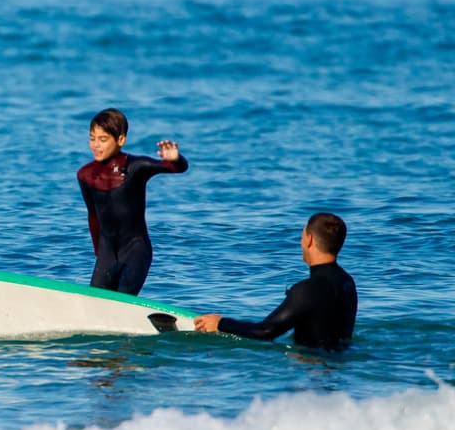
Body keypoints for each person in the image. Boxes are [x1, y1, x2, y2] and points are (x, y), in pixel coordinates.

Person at [194, 213, 357, 350]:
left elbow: (265, 331)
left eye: (302, 236)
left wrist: (221, 323)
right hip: (338, 364)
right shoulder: (347, 283)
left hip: (312, 371)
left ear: (309, 240)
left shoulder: (309, 288)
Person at [77, 108, 188, 296]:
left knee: (123, 300)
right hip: (107, 253)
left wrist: (176, 159)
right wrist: (100, 254)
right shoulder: (85, 175)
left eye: (103, 140)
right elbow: (93, 216)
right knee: (95, 302)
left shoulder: (136, 167)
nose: (96, 145)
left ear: (120, 140)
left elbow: (176, 168)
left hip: (135, 250)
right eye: (92, 138)